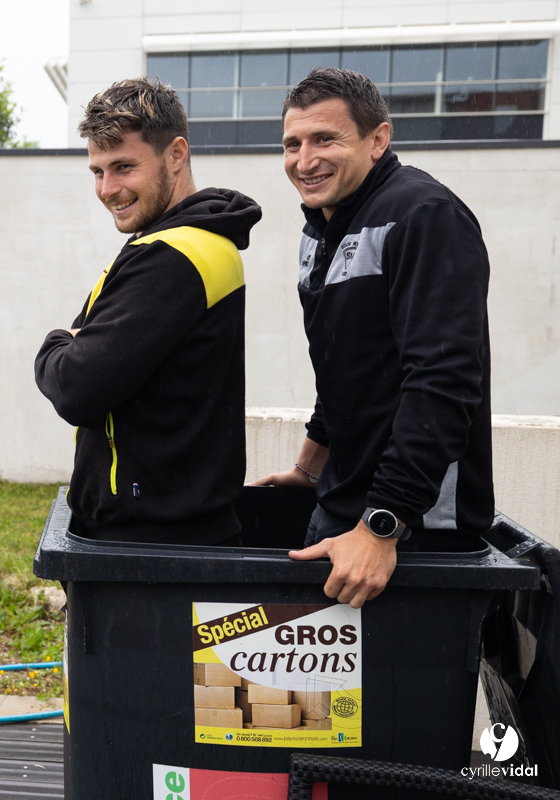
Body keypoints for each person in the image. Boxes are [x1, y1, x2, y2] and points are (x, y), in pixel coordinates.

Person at [254, 68, 494, 608]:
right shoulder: (321, 228)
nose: (304, 160)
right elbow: (344, 368)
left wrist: (383, 524)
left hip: (413, 529)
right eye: (292, 144)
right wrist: (309, 469)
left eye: (325, 139)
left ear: (378, 140)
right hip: (342, 507)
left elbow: (443, 381)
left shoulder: (424, 215)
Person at [35, 78, 262, 545]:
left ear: (176, 154)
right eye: (97, 171)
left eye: (123, 167)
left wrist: (55, 342)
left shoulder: (174, 258)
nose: (107, 189)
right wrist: (79, 345)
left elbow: (77, 388)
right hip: (168, 526)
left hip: (154, 541)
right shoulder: (174, 241)